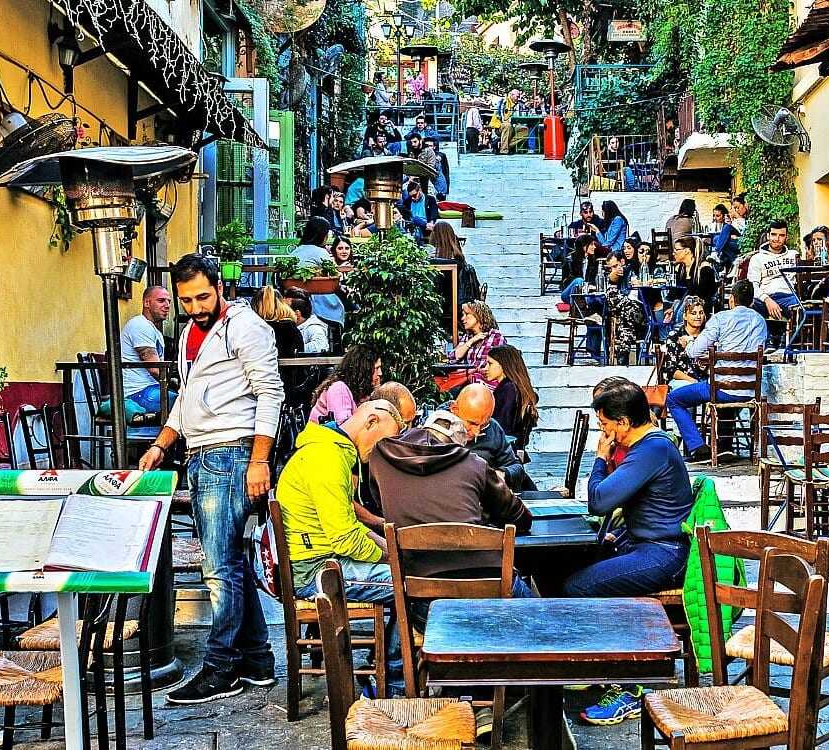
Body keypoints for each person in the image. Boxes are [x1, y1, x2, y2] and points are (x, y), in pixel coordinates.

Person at [138, 253, 285, 703]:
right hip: (201, 453)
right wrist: (161, 444)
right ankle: (257, 660)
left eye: (203, 296)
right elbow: (185, 396)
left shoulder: (245, 327)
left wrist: (259, 461)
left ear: (220, 287)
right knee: (231, 562)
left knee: (219, 569)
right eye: (186, 300)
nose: (195, 306)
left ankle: (222, 668)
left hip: (231, 453)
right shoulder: (188, 332)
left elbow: (270, 393)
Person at [567, 381, 695, 725]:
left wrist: (600, 458)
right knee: (564, 566)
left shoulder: (653, 449)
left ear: (623, 423)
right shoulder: (648, 447)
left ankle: (630, 687)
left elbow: (599, 501)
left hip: (663, 554)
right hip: (642, 544)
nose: (603, 432)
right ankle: (596, 663)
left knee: (580, 587)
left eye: (605, 424)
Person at [277, 399, 409, 685]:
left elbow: (348, 525)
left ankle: (386, 666)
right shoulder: (327, 458)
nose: (382, 450)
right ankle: (395, 681)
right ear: (371, 422)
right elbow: (345, 539)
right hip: (317, 573)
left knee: (408, 572)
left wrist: (388, 547)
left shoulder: (329, 451)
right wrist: (391, 557)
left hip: (322, 562)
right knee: (413, 583)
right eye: (383, 441)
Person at [372, 398, 533, 572]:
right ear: (459, 446)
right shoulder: (474, 465)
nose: (476, 433)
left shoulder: (382, 458)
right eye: (472, 424)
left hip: (416, 578)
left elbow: (380, 505)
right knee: (531, 585)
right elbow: (520, 518)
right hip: (482, 577)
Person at [667, 281, 768, 462]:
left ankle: (698, 447)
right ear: (752, 301)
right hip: (751, 391)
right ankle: (723, 448)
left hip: (722, 389)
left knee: (673, 399)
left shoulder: (721, 318)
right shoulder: (760, 321)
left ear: (731, 299)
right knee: (723, 392)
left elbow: (693, 352)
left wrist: (688, 342)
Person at [447, 382, 534, 492]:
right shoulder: (437, 430)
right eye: (472, 423)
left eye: (483, 425)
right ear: (454, 409)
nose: (476, 432)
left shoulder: (492, 427)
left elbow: (516, 467)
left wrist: (502, 474)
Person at [108, 285, 176, 419]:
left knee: (187, 400)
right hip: (136, 394)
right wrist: (177, 383)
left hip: (150, 390)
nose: (167, 305)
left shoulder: (153, 330)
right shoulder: (140, 325)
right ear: (146, 303)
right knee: (186, 403)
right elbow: (155, 369)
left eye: (169, 301)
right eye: (161, 301)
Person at [479, 345, 539, 448]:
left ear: (503, 365)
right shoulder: (512, 387)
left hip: (502, 448)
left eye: (490, 364)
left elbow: (501, 426)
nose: (486, 368)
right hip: (506, 446)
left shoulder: (508, 389)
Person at [309, 345, 382, 424]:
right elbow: (343, 426)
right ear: (363, 370)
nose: (380, 373)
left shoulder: (354, 390)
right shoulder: (339, 389)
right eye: (377, 368)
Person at [744, 220, 799, 318]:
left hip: (788, 297)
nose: (777, 239)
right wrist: (767, 300)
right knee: (750, 307)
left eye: (781, 235)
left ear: (786, 237)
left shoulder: (794, 255)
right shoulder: (757, 258)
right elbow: (752, 285)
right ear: (768, 236)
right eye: (773, 234)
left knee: (800, 308)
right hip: (763, 298)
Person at [655, 296, 710, 383]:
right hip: (682, 381)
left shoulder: (708, 336)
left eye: (701, 313)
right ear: (685, 316)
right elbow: (671, 370)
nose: (698, 316)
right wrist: (694, 382)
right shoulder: (675, 336)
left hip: (705, 382)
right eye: (693, 313)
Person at [450, 301, 505, 372]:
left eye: (467, 314)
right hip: (466, 377)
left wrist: (466, 371)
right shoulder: (467, 337)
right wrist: (471, 341)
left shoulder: (495, 336)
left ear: (479, 315)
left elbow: (491, 366)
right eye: (463, 315)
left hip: (484, 378)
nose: (462, 318)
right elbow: (453, 358)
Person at [707, 203, 741, 268]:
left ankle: (716, 253)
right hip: (729, 244)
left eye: (717, 216)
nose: (715, 218)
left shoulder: (735, 221)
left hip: (738, 242)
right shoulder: (713, 225)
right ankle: (732, 260)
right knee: (717, 239)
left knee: (718, 237)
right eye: (714, 215)